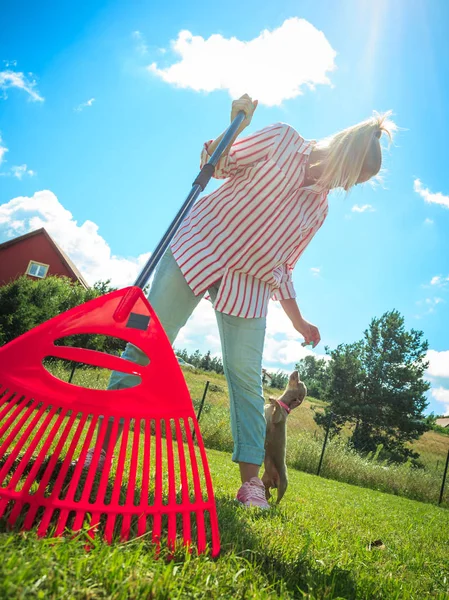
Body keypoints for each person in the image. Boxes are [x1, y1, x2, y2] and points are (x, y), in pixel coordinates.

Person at [84, 94, 396, 509]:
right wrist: (236, 126)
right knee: (144, 344)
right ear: (346, 155)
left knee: (245, 379)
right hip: (199, 246)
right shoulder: (283, 139)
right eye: (353, 178)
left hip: (248, 285)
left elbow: (283, 267)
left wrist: (299, 321)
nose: (346, 187)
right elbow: (219, 165)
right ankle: (100, 451)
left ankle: (250, 484)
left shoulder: (318, 209)